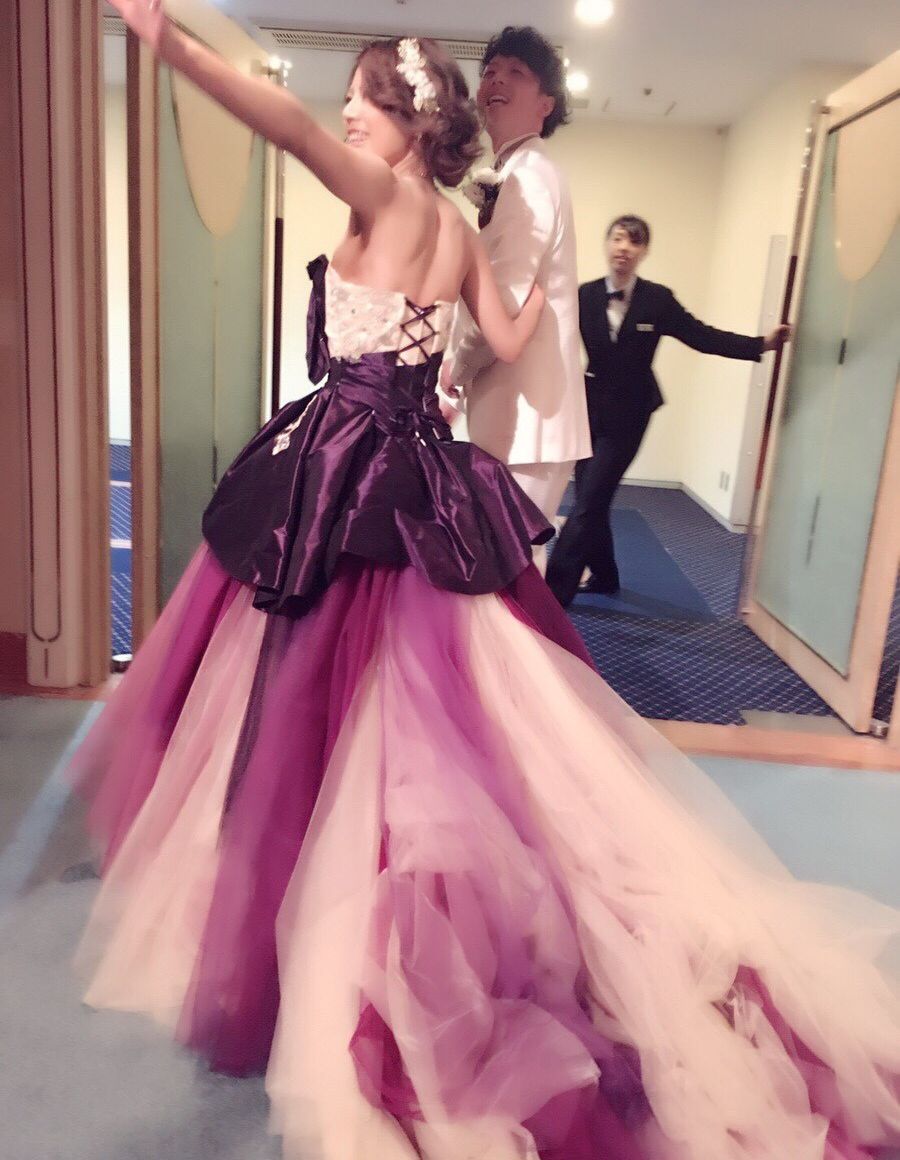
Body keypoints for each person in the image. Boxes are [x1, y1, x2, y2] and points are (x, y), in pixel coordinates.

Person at [74, 5, 900, 1159]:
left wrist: (170, 45)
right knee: (418, 703)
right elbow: (508, 340)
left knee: (312, 688)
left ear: (410, 125)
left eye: (363, 99)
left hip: (344, 467)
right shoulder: (461, 229)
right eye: (346, 101)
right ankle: (355, 903)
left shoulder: (379, 193)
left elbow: (278, 126)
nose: (342, 114)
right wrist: (522, 302)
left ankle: (316, 930)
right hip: (417, 463)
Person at [547, 214, 792, 607]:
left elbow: (702, 336)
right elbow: (551, 339)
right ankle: (605, 576)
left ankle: (552, 598)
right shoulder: (584, 295)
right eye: (618, 238)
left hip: (631, 413)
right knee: (593, 497)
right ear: (607, 244)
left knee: (588, 501)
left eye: (634, 241)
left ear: (644, 251)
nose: (624, 247)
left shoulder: (657, 299)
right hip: (588, 410)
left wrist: (760, 344)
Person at [440, 26, 590, 559]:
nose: (496, 80)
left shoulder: (529, 177)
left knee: (504, 576)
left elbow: (502, 304)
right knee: (507, 574)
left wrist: (452, 373)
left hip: (527, 418)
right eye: (490, 72)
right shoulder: (517, 171)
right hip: (519, 413)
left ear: (546, 104)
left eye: (516, 73)